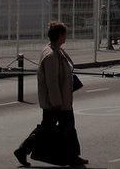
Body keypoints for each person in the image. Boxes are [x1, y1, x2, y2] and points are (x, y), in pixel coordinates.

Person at [15, 21, 87, 167]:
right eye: (65, 33)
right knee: (48, 129)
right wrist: (57, 103)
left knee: (65, 127)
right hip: (56, 102)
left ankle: (72, 156)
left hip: (63, 99)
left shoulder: (57, 50)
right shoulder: (51, 55)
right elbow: (52, 82)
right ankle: (23, 150)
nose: (66, 36)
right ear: (60, 35)